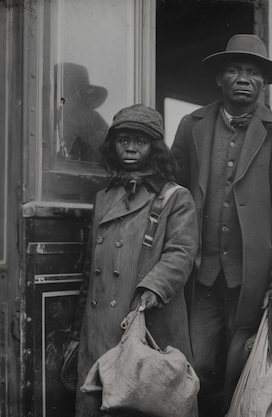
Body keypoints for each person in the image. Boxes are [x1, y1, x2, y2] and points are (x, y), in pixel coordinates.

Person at [171, 34, 272, 417]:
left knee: (244, 374)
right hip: (203, 277)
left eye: (252, 72)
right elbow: (173, 194)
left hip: (254, 281)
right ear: (219, 79)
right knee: (192, 367)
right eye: (234, 70)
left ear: (263, 82)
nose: (243, 78)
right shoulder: (191, 125)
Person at [73, 104, 199, 417]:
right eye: (123, 140)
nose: (130, 148)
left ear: (154, 148)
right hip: (100, 323)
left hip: (147, 315)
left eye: (140, 142)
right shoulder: (104, 196)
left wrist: (153, 289)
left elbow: (181, 251)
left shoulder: (174, 196)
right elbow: (91, 262)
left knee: (146, 400)